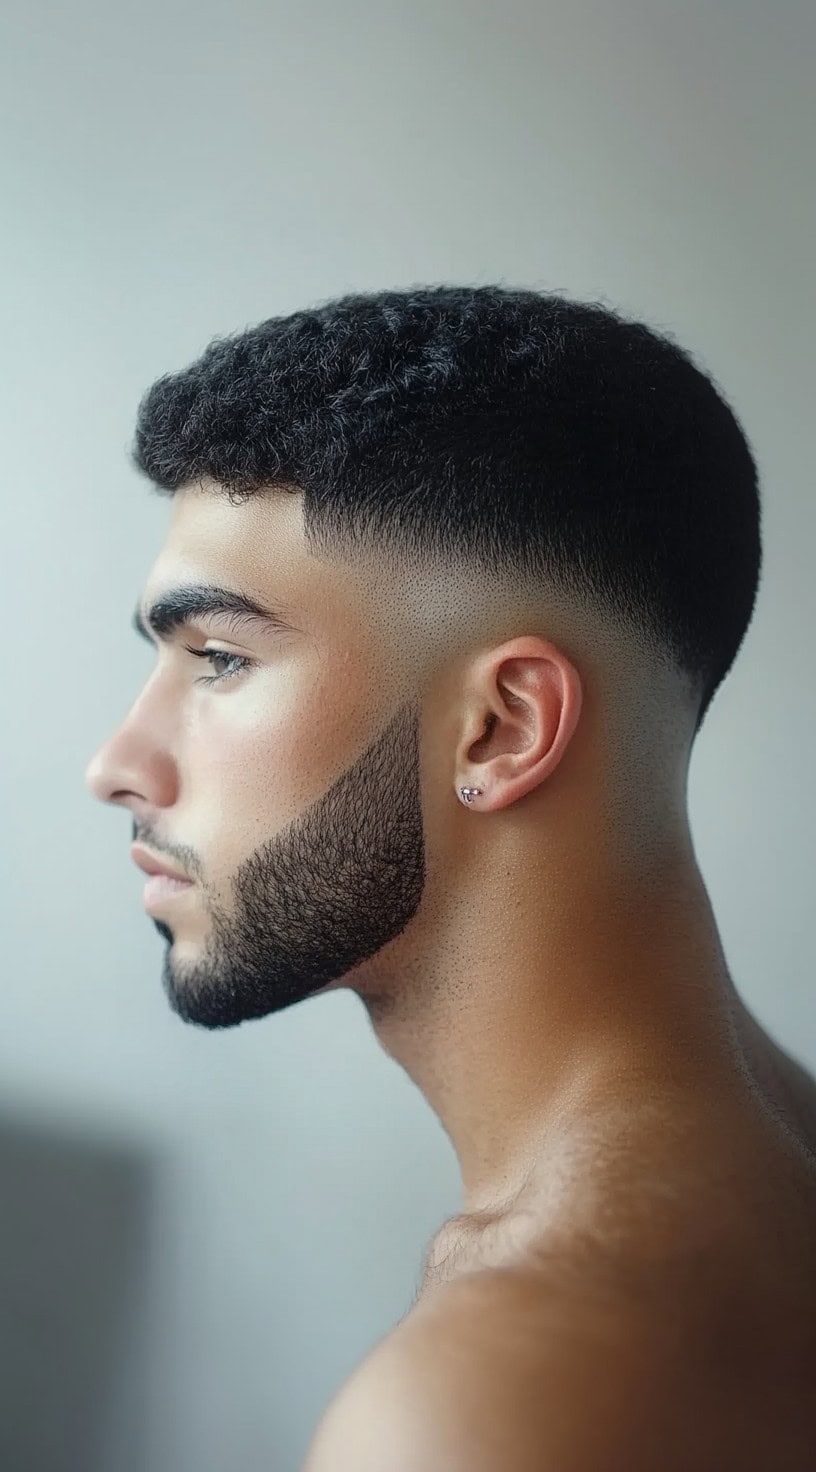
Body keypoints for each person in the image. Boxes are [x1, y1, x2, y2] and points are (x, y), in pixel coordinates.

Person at [85, 285, 816, 1469]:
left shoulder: (490, 1405)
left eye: (217, 658)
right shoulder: (770, 1168)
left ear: (503, 729)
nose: (116, 765)